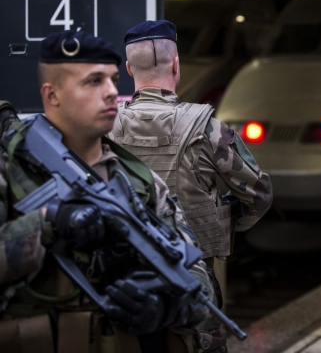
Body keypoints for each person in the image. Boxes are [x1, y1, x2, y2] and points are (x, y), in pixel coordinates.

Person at [0, 30, 214, 353]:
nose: (113, 92)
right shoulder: (10, 171)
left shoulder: (138, 183)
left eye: (114, 80)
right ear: (52, 94)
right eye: (93, 81)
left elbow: (200, 285)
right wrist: (48, 222)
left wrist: (164, 308)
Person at [109, 20, 273, 352]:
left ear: (128, 68)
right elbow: (259, 195)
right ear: (176, 64)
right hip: (195, 282)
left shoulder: (104, 129)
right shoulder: (209, 130)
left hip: (123, 284)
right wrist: (226, 222)